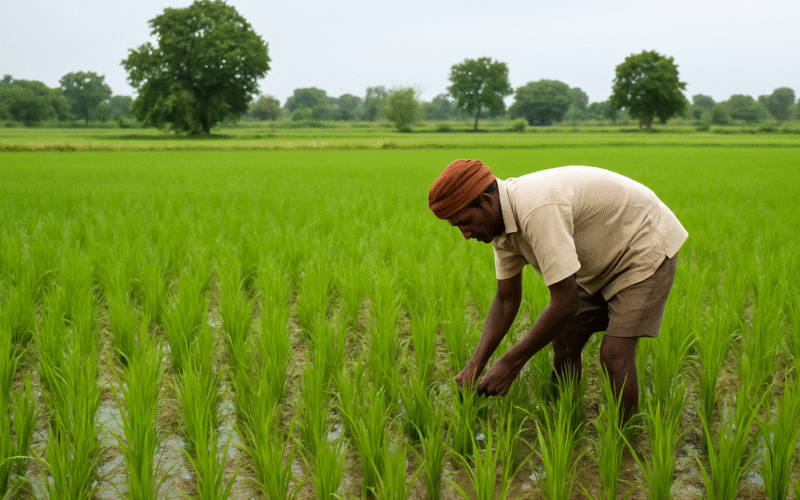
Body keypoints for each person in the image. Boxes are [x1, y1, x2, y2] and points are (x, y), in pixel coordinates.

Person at [428, 159, 687, 422]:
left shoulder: (535, 208)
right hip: (600, 259)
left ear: (486, 201)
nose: (466, 234)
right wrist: (476, 365)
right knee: (565, 337)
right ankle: (565, 417)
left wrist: (510, 363)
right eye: (458, 227)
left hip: (643, 244)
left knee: (614, 354)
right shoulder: (502, 230)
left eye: (466, 221)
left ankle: (625, 441)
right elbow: (506, 300)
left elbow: (566, 301)